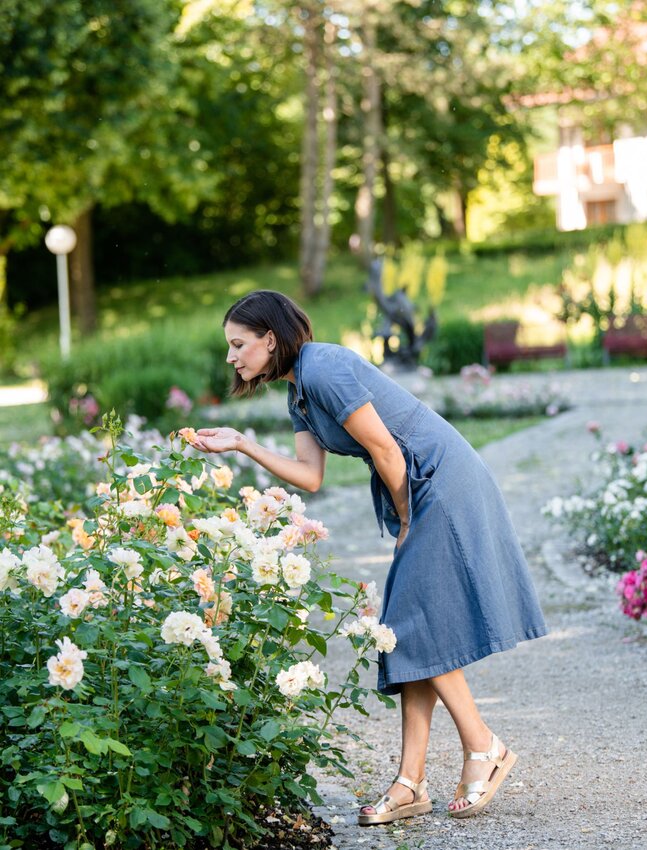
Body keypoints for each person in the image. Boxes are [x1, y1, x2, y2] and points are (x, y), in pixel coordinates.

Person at [187, 290, 548, 825]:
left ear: (270, 337)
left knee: (408, 622)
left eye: (239, 344)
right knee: (405, 627)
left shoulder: (325, 367)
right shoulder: (299, 393)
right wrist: (242, 444)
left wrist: (407, 520)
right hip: (417, 487)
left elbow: (385, 448)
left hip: (438, 482)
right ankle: (411, 781)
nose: (231, 357)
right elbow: (311, 476)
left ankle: (482, 748)